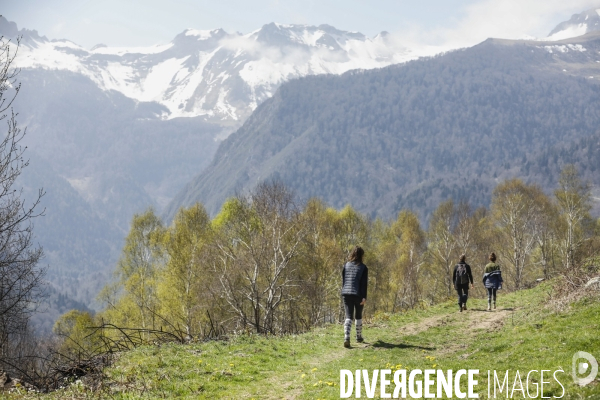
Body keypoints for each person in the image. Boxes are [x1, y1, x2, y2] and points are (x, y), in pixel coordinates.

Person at [341, 246, 368, 348]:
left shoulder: (346, 265)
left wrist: (344, 290)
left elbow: (344, 280)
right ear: (361, 256)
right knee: (358, 315)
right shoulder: (363, 267)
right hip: (358, 294)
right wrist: (364, 297)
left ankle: (346, 337)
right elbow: (364, 284)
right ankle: (359, 337)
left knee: (348, 316)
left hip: (346, 293)